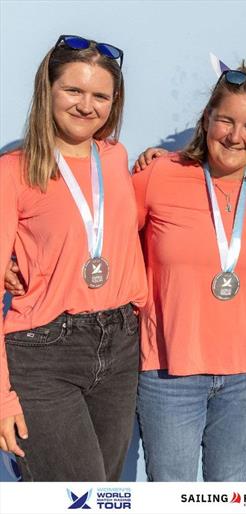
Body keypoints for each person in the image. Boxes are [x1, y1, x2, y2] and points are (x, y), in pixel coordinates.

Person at [0, 35, 146, 481]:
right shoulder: (14, 171)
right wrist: (2, 396)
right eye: (74, 91)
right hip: (45, 353)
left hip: (120, 345)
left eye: (100, 95)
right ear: (48, 90)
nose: (87, 105)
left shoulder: (117, 158)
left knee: (104, 494)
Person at [131, 63, 246, 481]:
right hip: (169, 371)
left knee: (228, 494)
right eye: (227, 120)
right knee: (174, 495)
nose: (236, 136)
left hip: (244, 375)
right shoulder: (159, 174)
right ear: (206, 120)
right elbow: (103, 235)